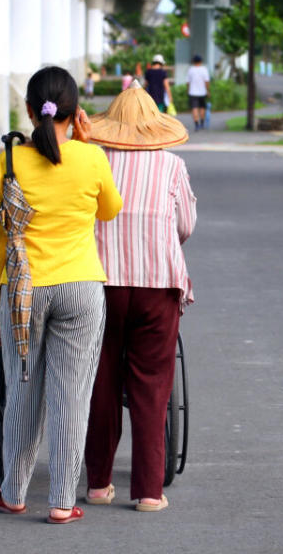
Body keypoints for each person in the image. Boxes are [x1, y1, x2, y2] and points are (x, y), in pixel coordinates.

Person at [0, 66, 123, 525]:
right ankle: (63, 501)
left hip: (23, 290)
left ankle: (14, 493)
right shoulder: (90, 158)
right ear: (75, 112)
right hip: (82, 288)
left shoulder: (10, 159)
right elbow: (111, 210)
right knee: (71, 396)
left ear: (28, 109)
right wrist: (88, 144)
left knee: (23, 391)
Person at [83, 81, 196, 512]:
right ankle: (149, 492)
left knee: (102, 381)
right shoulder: (171, 165)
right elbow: (185, 225)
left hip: (100, 284)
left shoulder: (94, 161)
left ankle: (97, 484)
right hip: (157, 285)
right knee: (151, 386)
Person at [187, 55, 210, 131]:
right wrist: (207, 90)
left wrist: (188, 90)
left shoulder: (191, 70)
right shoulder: (204, 69)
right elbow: (206, 81)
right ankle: (202, 123)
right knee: (202, 108)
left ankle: (196, 125)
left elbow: (188, 82)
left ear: (193, 62)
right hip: (202, 92)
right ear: (201, 61)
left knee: (194, 108)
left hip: (192, 92)